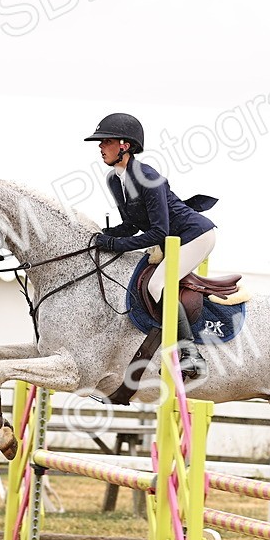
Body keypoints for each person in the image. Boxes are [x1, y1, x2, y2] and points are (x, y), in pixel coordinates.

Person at [86, 113, 216, 379]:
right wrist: (100, 236)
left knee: (158, 285)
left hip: (195, 235)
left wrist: (117, 244)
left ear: (124, 145)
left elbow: (159, 231)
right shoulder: (115, 179)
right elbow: (131, 225)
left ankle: (190, 353)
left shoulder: (148, 177)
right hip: (172, 241)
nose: (100, 147)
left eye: (105, 141)